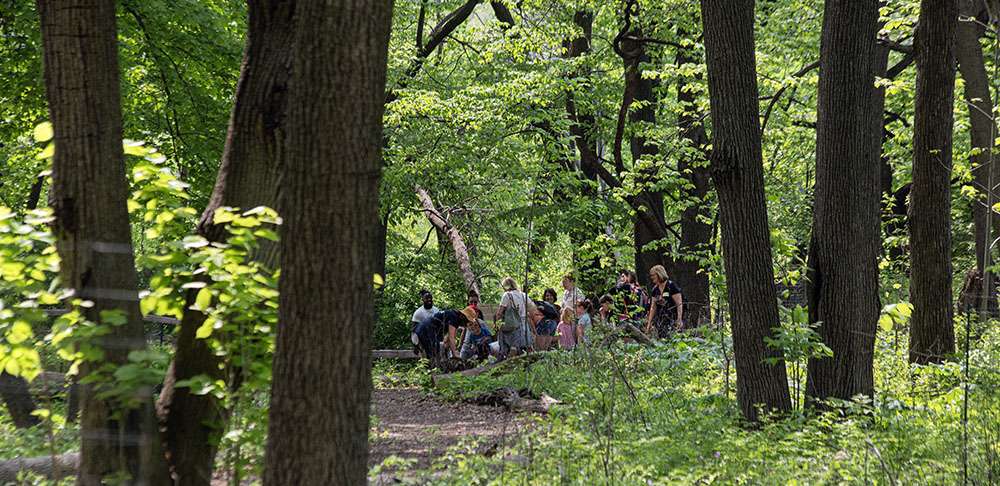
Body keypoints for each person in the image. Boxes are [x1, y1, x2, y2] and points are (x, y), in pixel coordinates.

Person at [413, 306, 477, 366]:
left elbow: (451, 337)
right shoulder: (454, 317)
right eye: (467, 321)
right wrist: (454, 355)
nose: (466, 324)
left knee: (434, 352)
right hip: (424, 331)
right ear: (463, 317)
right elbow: (451, 337)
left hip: (425, 330)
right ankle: (428, 373)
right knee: (431, 355)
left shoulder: (454, 317)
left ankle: (430, 371)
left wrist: (447, 351)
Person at [646, 265, 683, 339]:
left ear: (659, 274)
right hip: (660, 321)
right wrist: (649, 323)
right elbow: (653, 307)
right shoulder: (655, 289)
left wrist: (679, 319)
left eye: (653, 275)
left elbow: (679, 304)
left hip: (672, 319)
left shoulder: (671, 286)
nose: (652, 277)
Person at [495, 277, 529, 358]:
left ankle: (506, 360)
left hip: (511, 324)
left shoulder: (507, 295)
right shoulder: (524, 295)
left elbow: (499, 312)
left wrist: (497, 324)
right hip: (523, 324)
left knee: (507, 347)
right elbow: (532, 309)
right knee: (523, 348)